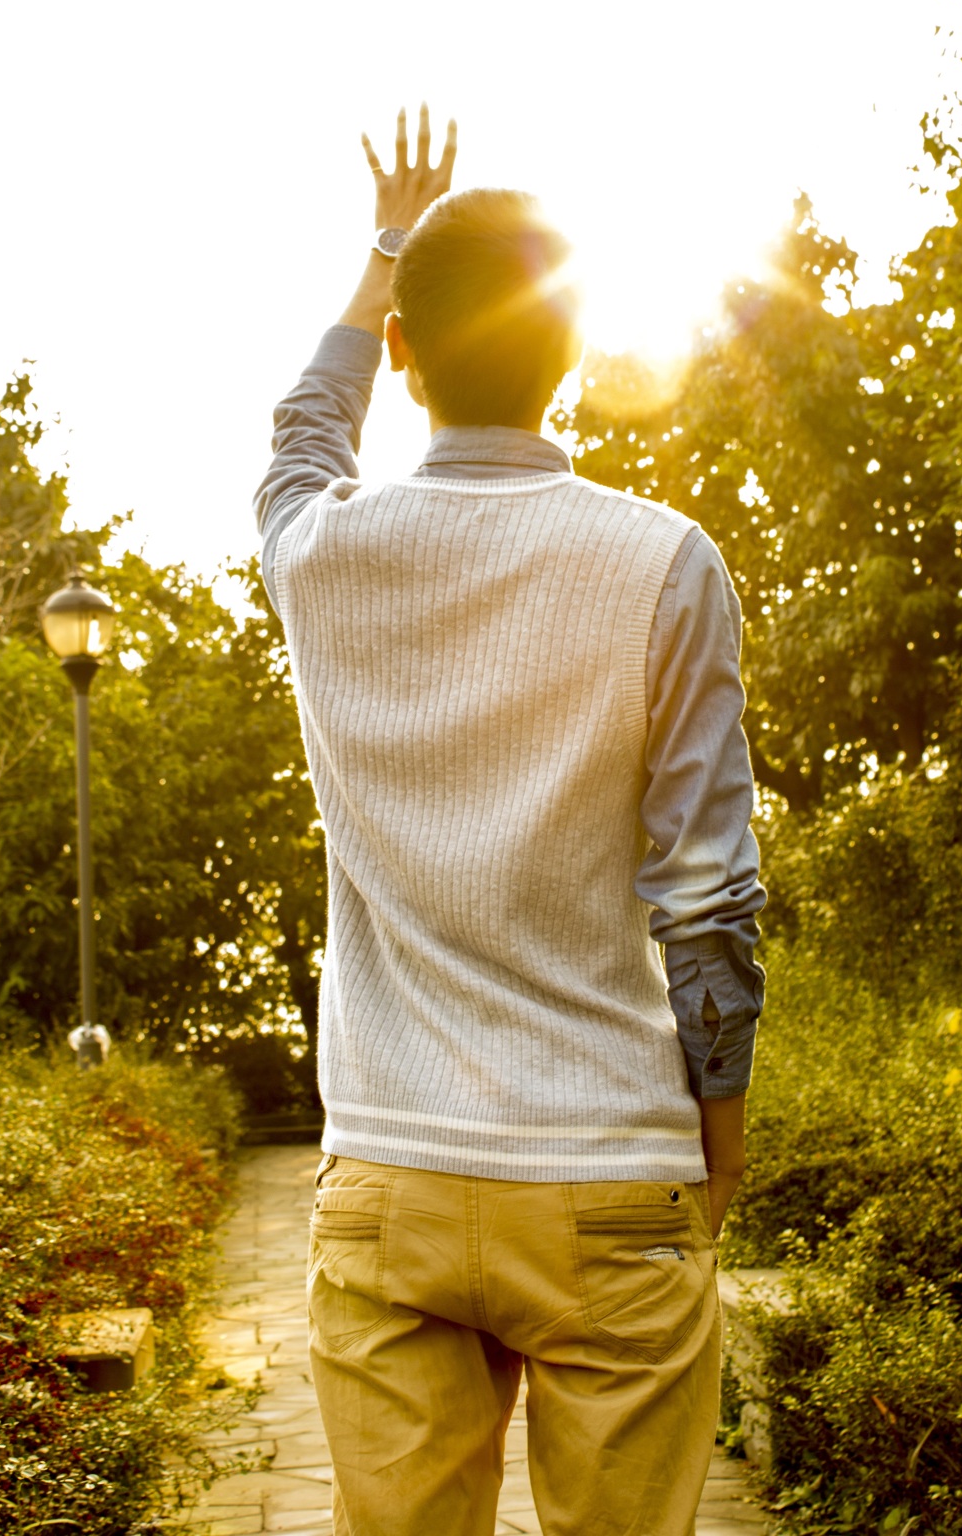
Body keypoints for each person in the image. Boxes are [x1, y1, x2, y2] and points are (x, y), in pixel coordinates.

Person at [254, 106, 766, 1536]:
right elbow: (710, 895)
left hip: (390, 1186)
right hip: (611, 1177)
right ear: (576, 351)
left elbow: (301, 432)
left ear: (406, 355)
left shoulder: (324, 554)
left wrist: (384, 254)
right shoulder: (665, 565)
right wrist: (716, 1144)